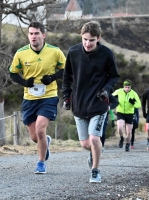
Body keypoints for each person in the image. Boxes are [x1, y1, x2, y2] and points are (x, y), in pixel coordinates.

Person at [62, 21, 120, 183]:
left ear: (98, 38)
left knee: (95, 139)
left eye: (91, 40)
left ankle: (95, 170)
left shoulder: (106, 54)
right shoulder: (73, 52)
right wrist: (66, 97)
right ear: (81, 37)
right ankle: (93, 153)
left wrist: (106, 90)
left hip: (99, 103)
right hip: (79, 104)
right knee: (86, 144)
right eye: (85, 39)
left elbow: (114, 76)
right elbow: (67, 77)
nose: (87, 43)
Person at [9, 21, 66, 174]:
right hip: (29, 98)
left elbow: (66, 70)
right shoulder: (21, 53)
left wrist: (52, 78)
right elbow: (13, 73)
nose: (33, 37)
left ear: (43, 35)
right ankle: (45, 142)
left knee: (41, 129)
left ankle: (41, 163)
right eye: (31, 34)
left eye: (36, 33)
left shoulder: (55, 52)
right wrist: (25, 82)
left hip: (48, 96)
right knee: (35, 136)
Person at [112, 79, 141, 152]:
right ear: (123, 87)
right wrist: (114, 100)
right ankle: (121, 138)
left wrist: (133, 103)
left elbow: (139, 105)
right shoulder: (119, 91)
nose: (127, 89)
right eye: (126, 87)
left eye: (129, 87)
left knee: (129, 132)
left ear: (130, 87)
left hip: (130, 114)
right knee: (120, 127)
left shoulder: (134, 93)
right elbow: (111, 97)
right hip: (120, 112)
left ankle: (128, 143)